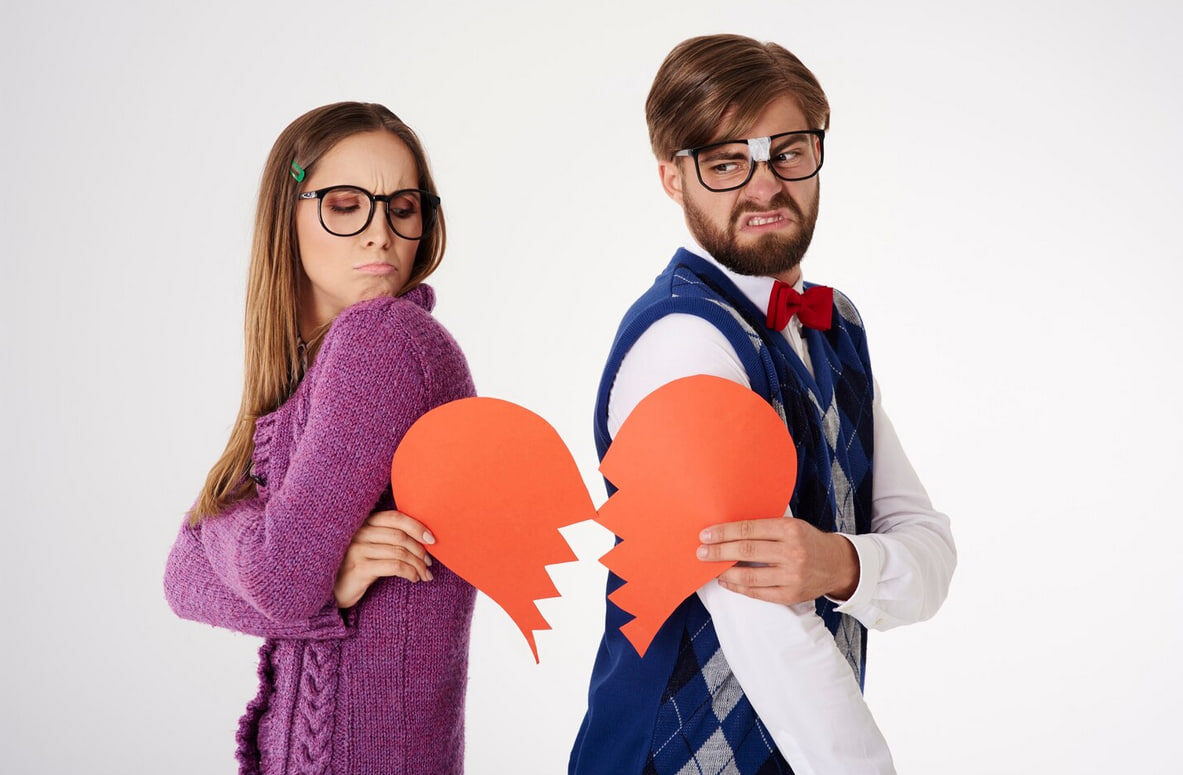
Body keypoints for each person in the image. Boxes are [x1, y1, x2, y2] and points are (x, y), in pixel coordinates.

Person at [570, 35, 957, 775]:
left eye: (787, 152)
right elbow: (761, 619)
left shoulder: (835, 326)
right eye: (726, 163)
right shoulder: (682, 343)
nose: (764, 186)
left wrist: (840, 562)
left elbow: (928, 552)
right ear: (672, 178)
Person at [163, 102, 476, 774]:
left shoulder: (383, 340)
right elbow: (181, 579)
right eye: (345, 206)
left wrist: (223, 520)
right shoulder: (313, 372)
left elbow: (276, 580)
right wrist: (332, 578)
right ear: (289, 215)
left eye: (403, 208)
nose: (380, 234)